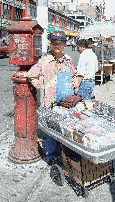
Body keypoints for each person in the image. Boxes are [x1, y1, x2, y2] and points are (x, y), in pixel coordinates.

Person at [27, 31, 79, 162]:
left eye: (60, 43)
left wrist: (75, 86)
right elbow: (31, 74)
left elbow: (74, 74)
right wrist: (40, 85)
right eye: (55, 43)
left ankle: (69, 155)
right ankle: (53, 156)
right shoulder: (46, 60)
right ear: (51, 44)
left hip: (67, 103)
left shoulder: (68, 60)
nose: (57, 46)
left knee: (69, 130)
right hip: (52, 103)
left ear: (64, 45)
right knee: (52, 132)